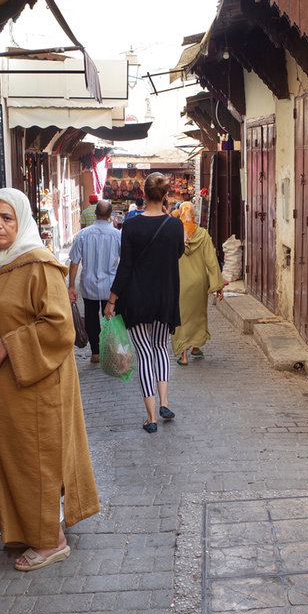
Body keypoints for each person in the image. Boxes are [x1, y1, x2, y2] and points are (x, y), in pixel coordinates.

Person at [0, 188, 100, 571]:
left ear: (22, 221)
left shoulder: (38, 265)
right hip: (6, 390)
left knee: (36, 459)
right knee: (13, 458)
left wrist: (9, 345)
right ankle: (26, 529)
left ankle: (51, 541)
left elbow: (59, 326)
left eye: (6, 218)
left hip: (36, 387)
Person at [104, 173, 185, 433]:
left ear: (143, 194)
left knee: (145, 353)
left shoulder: (131, 226)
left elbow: (125, 267)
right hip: (165, 296)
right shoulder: (175, 226)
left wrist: (112, 300)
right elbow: (179, 253)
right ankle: (165, 401)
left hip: (137, 298)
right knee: (161, 347)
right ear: (164, 196)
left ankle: (151, 418)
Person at [171, 202, 225, 365]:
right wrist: (217, 284)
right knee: (197, 315)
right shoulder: (202, 234)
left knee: (181, 318)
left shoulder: (174, 235)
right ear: (193, 214)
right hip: (199, 282)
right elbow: (211, 261)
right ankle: (195, 346)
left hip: (179, 282)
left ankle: (184, 355)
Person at [68, 200, 121, 364]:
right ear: (110, 215)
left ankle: (96, 352)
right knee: (110, 317)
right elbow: (126, 262)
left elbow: (74, 262)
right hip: (111, 286)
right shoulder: (117, 235)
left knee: (91, 318)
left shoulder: (84, 234)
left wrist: (71, 286)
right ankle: (110, 350)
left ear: (96, 213)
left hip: (89, 285)